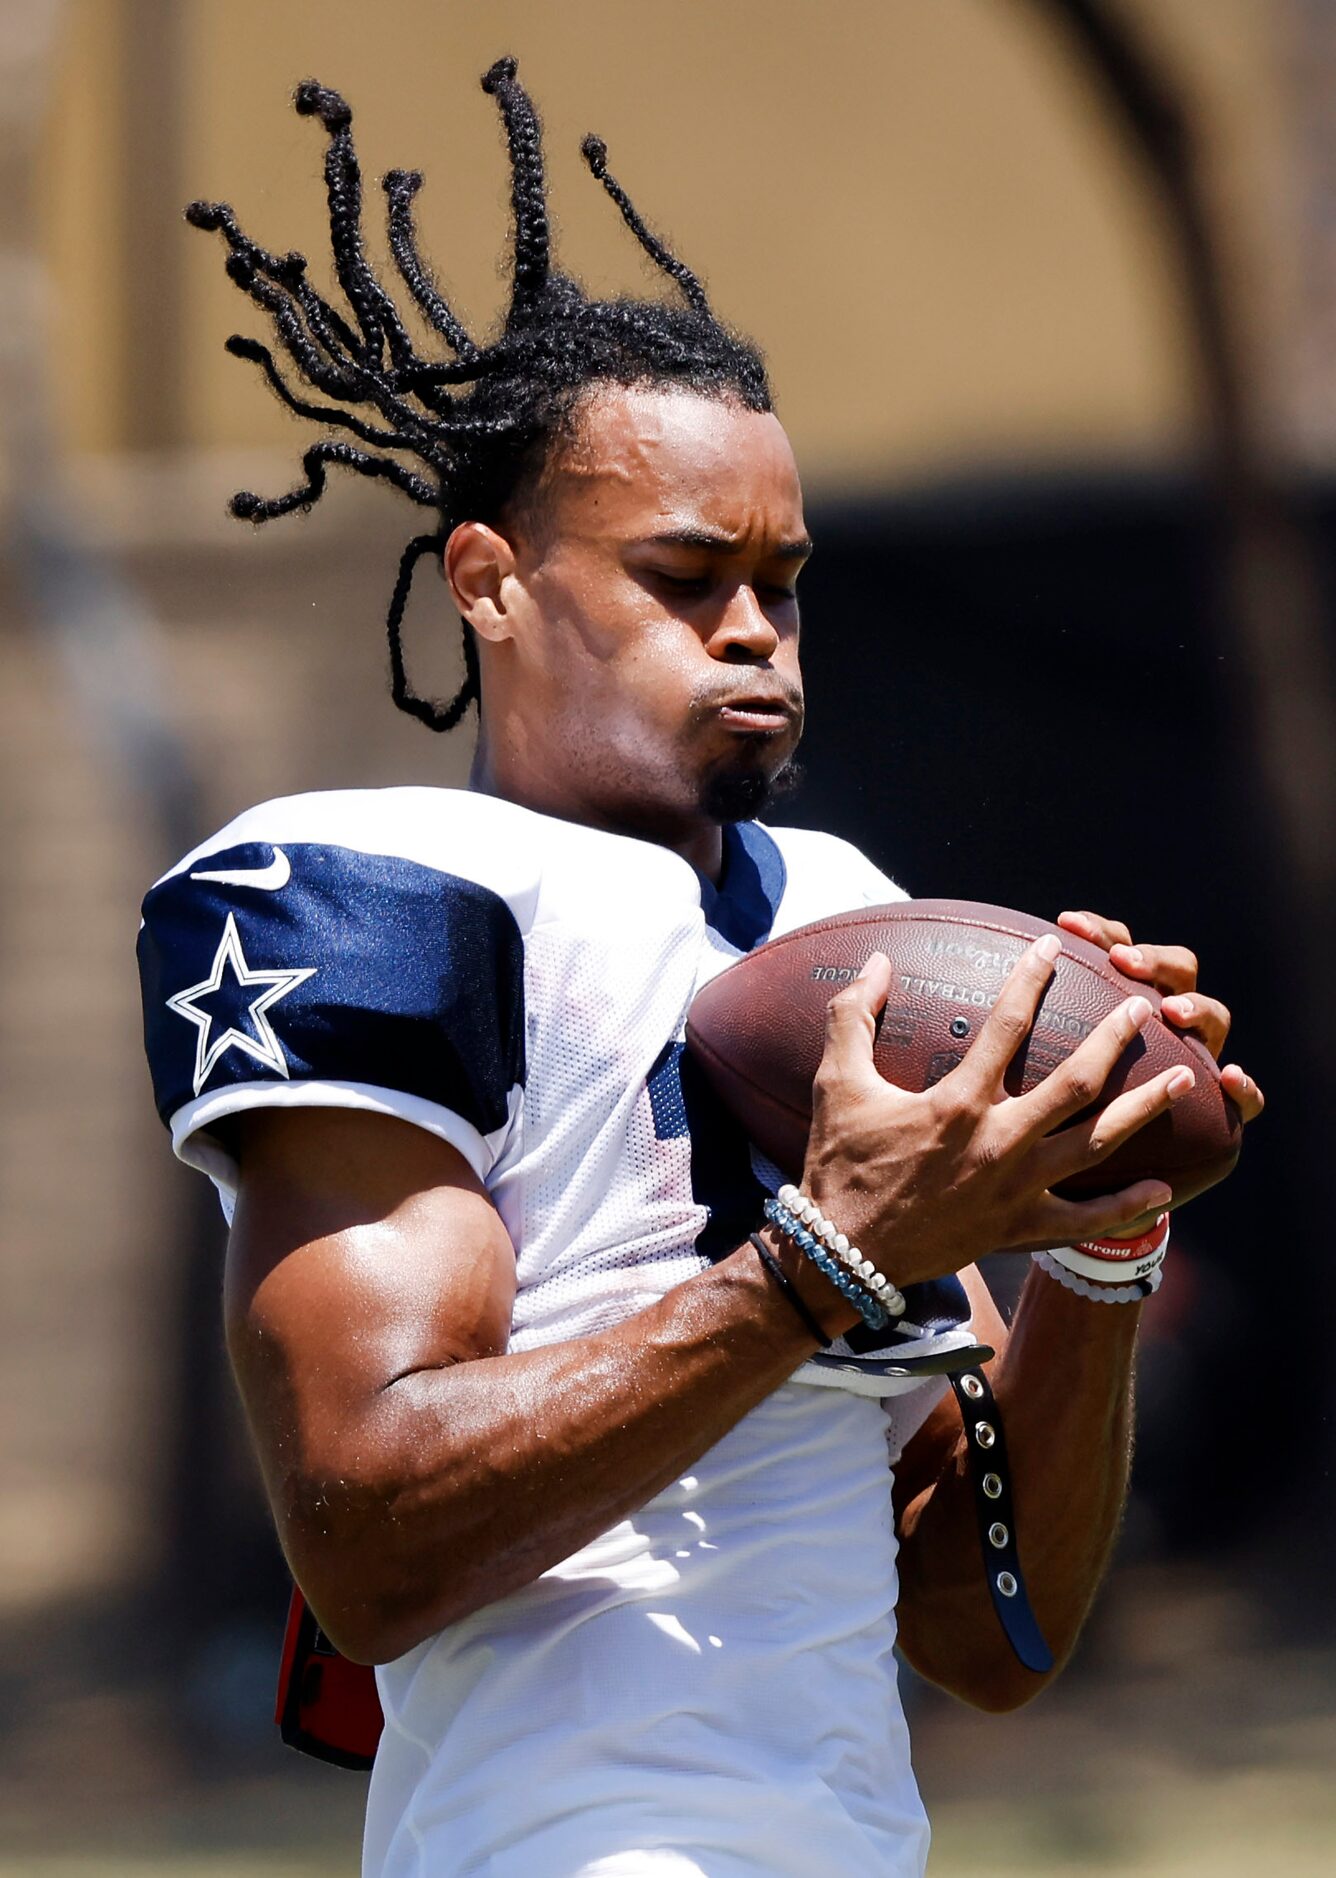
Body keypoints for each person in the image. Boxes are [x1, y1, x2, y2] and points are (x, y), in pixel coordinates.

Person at [136, 58, 1264, 1878]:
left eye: (786, 580)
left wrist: (1099, 1239)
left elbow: (988, 1637)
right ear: (490, 580)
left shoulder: (845, 913)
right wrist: (822, 1260)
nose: (755, 627)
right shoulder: (386, 893)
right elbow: (366, 1545)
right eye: (685, 576)